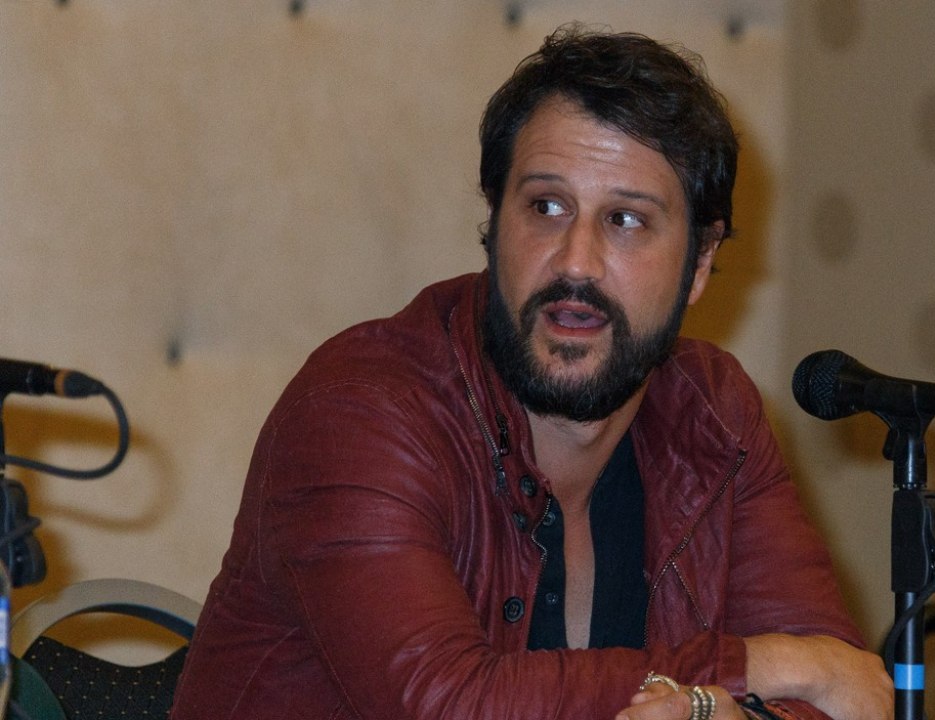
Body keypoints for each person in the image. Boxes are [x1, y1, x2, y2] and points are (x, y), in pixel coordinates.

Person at [170, 25, 892, 720]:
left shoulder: (714, 412)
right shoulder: (357, 414)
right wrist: (760, 665)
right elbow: (450, 705)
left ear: (700, 261)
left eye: (626, 220)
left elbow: (841, 697)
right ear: (495, 220)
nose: (576, 261)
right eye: (546, 207)